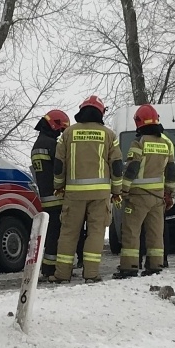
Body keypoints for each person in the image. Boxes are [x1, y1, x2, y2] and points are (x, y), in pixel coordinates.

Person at [50, 95, 123, 283]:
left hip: (74, 193)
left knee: (68, 233)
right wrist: (117, 191)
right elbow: (116, 165)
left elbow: (59, 164)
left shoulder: (68, 133)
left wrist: (58, 186)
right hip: (100, 194)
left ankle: (62, 274)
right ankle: (91, 274)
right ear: (100, 112)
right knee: (96, 232)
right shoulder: (109, 135)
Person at [114, 105, 175, 279]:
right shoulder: (166, 143)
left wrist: (123, 189)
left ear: (138, 122)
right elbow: (172, 171)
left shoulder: (139, 143)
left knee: (131, 230)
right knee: (156, 232)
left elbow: (132, 169)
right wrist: (169, 193)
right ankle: (155, 265)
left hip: (138, 196)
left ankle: (129, 267)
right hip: (158, 197)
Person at [29, 109, 69, 277]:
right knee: (56, 234)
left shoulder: (37, 145)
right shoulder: (52, 145)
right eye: (60, 130)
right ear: (55, 125)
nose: (60, 133)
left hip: (45, 198)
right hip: (57, 198)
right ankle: (51, 269)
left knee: (49, 234)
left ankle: (47, 267)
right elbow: (61, 169)